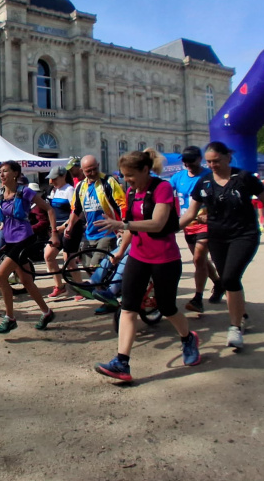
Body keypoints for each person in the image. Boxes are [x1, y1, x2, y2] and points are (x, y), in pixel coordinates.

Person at [92, 150, 201, 382]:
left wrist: (122, 223)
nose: (126, 180)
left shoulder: (162, 188)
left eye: (130, 175)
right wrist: (121, 252)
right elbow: (133, 227)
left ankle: (188, 338)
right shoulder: (132, 192)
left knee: (168, 307)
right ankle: (122, 361)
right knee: (128, 308)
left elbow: (158, 223)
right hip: (139, 257)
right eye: (124, 175)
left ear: (145, 170)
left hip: (165, 258)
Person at [180, 142, 264, 350]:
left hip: (244, 235)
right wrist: (167, 228)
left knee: (229, 278)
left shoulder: (244, 178)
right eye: (209, 162)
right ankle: (241, 314)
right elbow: (190, 213)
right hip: (217, 237)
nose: (213, 165)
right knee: (230, 280)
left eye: (217, 161)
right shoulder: (204, 182)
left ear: (228, 158)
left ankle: (235, 327)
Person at [0, 161, 59, 333]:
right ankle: (47, 312)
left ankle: (10, 318)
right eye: (0, 172)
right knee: (26, 281)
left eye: (5, 171)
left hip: (24, 239)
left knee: (1, 276)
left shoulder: (25, 191)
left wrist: (54, 233)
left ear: (15, 174)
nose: (1, 175)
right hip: (10, 240)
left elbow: (49, 209)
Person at [64, 154, 127, 314]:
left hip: (108, 232)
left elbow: (122, 204)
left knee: (96, 265)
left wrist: (123, 226)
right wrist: (70, 226)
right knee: (89, 267)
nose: (91, 173)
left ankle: (107, 294)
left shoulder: (109, 182)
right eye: (88, 171)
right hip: (89, 233)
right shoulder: (81, 187)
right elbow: (76, 210)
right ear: (82, 170)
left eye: (94, 169)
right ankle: (107, 298)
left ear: (98, 165)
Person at [169, 146, 223, 313]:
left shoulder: (209, 176)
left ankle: (198, 298)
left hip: (206, 225)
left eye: (191, 161)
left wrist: (212, 213)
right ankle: (219, 283)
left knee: (199, 259)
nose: (187, 164)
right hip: (188, 226)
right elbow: (165, 194)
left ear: (200, 159)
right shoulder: (178, 177)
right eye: (185, 161)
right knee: (202, 260)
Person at [42, 166, 75, 298]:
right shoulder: (54, 191)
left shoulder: (69, 190)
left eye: (55, 178)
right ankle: (59, 286)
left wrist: (66, 225)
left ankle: (80, 287)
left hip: (67, 229)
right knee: (49, 256)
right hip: (56, 230)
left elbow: (75, 211)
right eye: (51, 178)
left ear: (63, 176)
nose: (52, 181)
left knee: (70, 261)